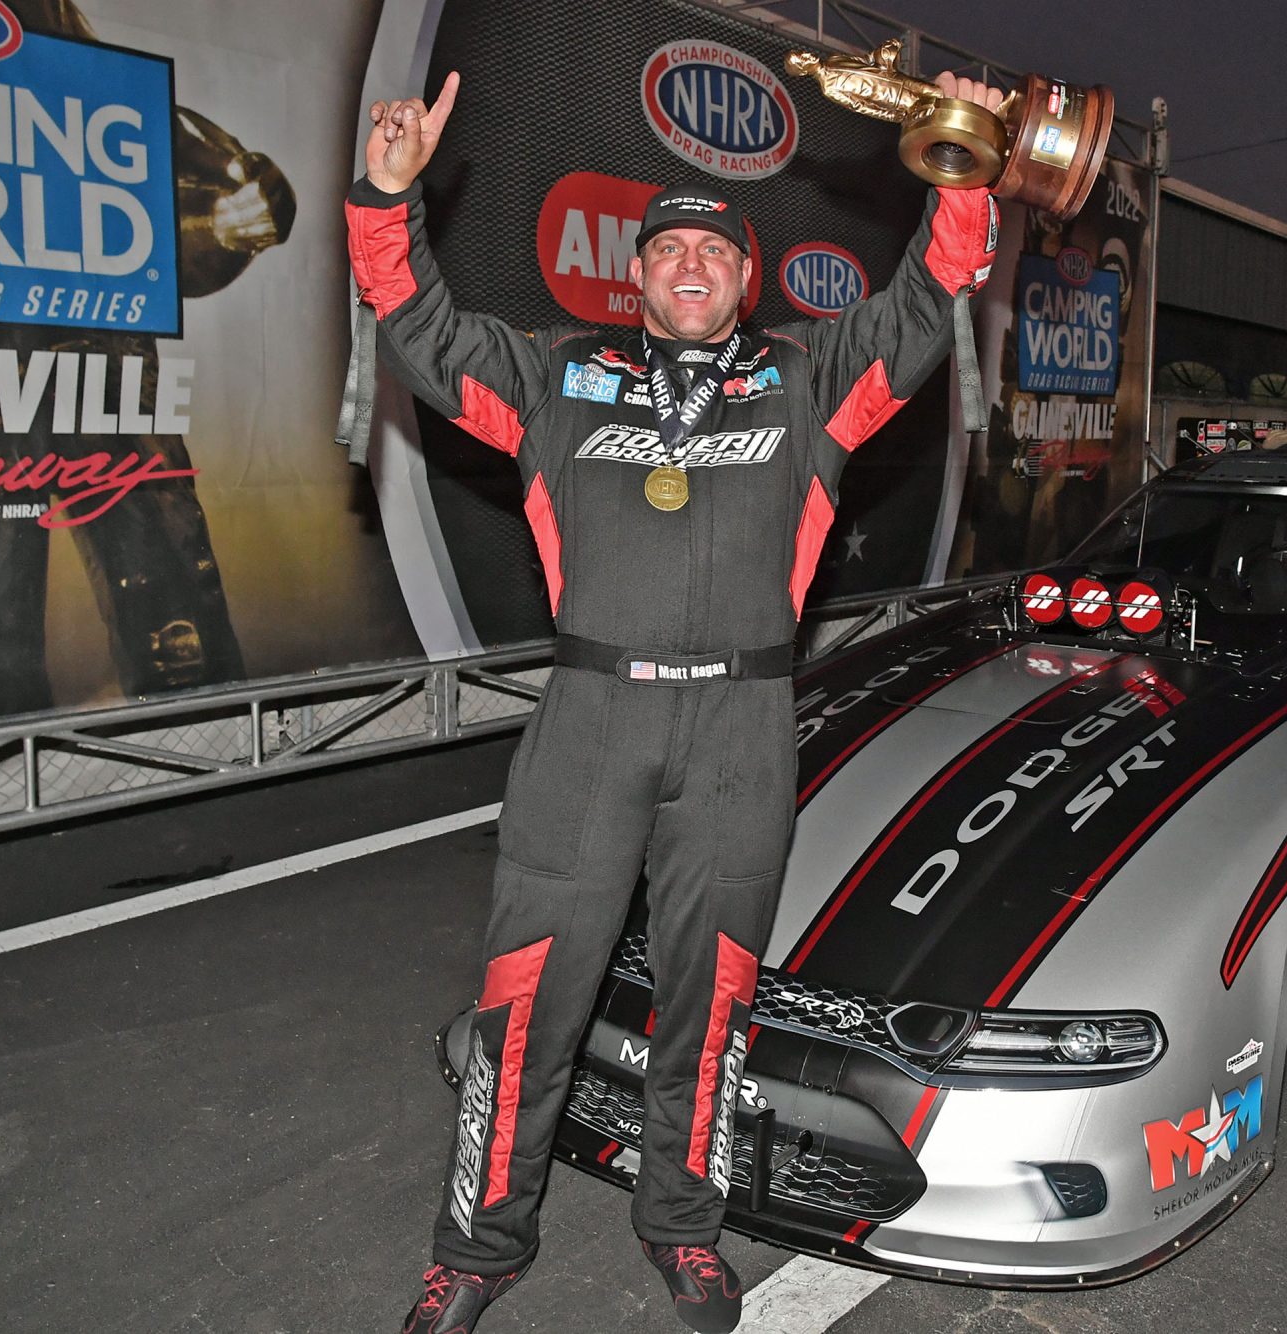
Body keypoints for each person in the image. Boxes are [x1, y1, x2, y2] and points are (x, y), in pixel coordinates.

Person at [348, 69, 1001, 1334]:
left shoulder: (808, 376)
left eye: (714, 246)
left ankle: (684, 1226)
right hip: (592, 720)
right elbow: (416, 326)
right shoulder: (552, 374)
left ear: (742, 279)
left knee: (714, 999)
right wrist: (389, 198)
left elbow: (925, 305)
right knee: (530, 996)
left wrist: (963, 183)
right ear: (632, 278)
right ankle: (476, 1247)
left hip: (743, 731)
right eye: (668, 247)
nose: (691, 261)